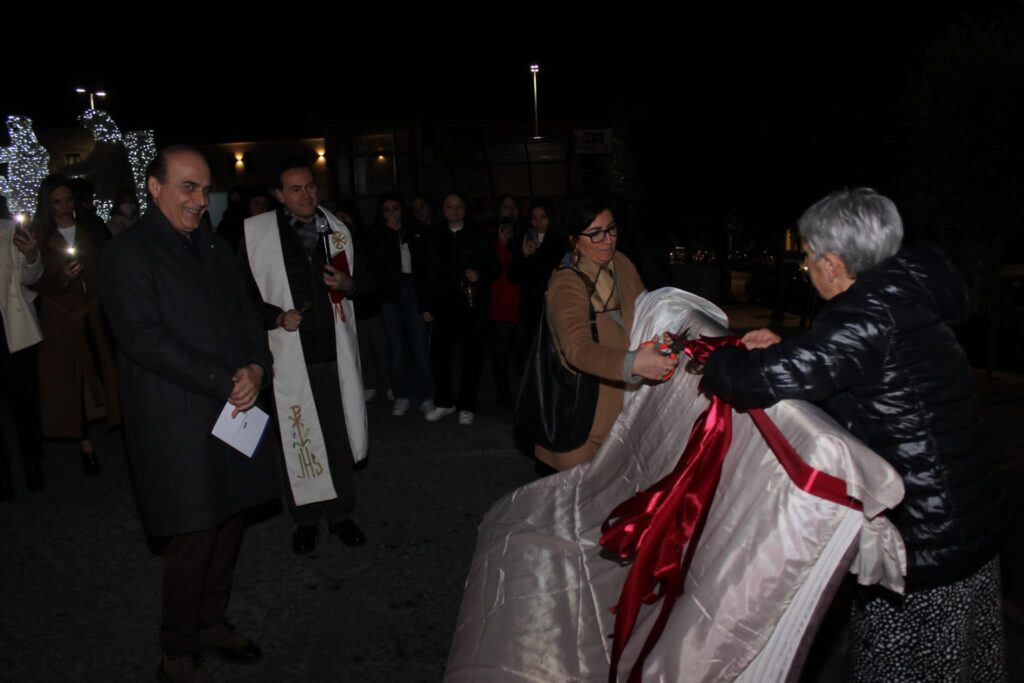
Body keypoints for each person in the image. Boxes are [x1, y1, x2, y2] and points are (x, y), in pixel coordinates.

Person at [702, 188, 1008, 681]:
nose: (805, 266)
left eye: (806, 255)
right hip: (965, 526)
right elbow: (861, 373)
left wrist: (718, 355)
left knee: (907, 668)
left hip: (924, 549)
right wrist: (796, 347)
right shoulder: (901, 296)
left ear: (832, 263)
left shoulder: (865, 315)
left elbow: (745, 379)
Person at [102, 146, 278, 682]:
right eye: (187, 187)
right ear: (154, 188)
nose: (199, 199)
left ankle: (211, 621)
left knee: (230, 520)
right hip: (176, 419)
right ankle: (176, 650)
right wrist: (222, 380)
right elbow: (143, 338)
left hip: (233, 407)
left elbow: (248, 313)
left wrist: (255, 365)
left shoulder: (216, 248)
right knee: (193, 533)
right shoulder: (129, 253)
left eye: (204, 189)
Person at [237, 157, 369, 555]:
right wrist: (276, 316)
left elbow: (375, 282)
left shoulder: (338, 230)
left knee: (337, 438)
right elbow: (241, 298)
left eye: (310, 186)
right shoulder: (256, 235)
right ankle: (306, 520)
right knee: (299, 439)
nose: (306, 194)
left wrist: (349, 284)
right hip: (287, 356)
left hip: (332, 354)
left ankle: (341, 514)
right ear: (279, 195)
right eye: (295, 189)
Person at [535, 193, 676, 470]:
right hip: (581, 423)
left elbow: (643, 309)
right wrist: (632, 362)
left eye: (611, 229)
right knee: (575, 509)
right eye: (595, 233)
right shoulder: (567, 284)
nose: (608, 239)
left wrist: (663, 332)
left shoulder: (620, 263)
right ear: (573, 239)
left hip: (621, 416)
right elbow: (578, 349)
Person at [31, 174, 120, 475]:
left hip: (94, 313)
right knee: (70, 381)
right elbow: (33, 281)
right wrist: (61, 280)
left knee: (105, 370)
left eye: (68, 200)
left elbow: (110, 266)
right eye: (56, 202)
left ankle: (116, 425)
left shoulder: (92, 229)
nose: (64, 207)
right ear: (47, 204)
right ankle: (85, 444)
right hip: (61, 318)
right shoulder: (39, 237)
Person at [423, 191, 500, 425]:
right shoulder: (434, 236)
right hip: (444, 306)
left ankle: (467, 405)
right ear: (443, 210)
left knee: (472, 358)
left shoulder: (479, 235)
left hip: (472, 305)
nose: (454, 209)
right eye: (449, 205)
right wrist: (426, 305)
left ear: (465, 209)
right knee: (440, 357)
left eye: (458, 205)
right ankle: (444, 402)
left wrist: (479, 273)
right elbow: (426, 273)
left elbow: (494, 267)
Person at [372, 192, 434, 416]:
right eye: (386, 209)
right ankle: (402, 394)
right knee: (396, 347)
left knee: (419, 344)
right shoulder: (378, 235)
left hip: (413, 289)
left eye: (395, 208)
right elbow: (379, 263)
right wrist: (389, 233)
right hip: (390, 293)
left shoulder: (415, 232)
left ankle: (426, 394)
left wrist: (427, 303)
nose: (392, 214)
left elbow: (425, 268)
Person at [0, 215, 45, 498]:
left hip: (13, 327)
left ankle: (32, 462)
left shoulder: (10, 230)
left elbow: (31, 277)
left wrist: (31, 255)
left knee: (25, 402)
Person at [507, 197, 564, 342]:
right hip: (530, 305)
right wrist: (524, 255)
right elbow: (513, 275)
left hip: (553, 303)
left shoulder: (560, 240)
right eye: (534, 218)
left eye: (543, 217)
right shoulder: (524, 238)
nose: (538, 222)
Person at [487, 194, 524, 410]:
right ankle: (502, 394)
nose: (509, 210)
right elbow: (492, 267)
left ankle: (524, 393)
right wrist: (501, 244)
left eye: (513, 206)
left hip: (520, 299)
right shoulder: (490, 234)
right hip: (500, 300)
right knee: (500, 353)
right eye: (505, 206)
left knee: (522, 351)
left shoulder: (524, 232)